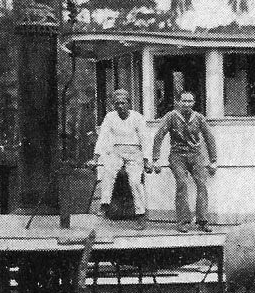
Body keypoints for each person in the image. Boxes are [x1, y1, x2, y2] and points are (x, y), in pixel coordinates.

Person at [151, 91, 217, 232]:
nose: (186, 104)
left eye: (190, 101)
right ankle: (183, 221)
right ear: (178, 102)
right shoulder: (171, 117)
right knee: (182, 183)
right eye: (184, 101)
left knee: (202, 183)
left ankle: (202, 221)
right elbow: (159, 136)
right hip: (177, 156)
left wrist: (213, 161)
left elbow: (209, 137)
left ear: (193, 103)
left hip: (195, 155)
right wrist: (155, 159)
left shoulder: (199, 118)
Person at [91, 88, 150, 229]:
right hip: (117, 150)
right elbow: (103, 138)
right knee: (108, 172)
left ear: (129, 103)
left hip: (134, 152)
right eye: (117, 103)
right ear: (113, 105)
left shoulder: (137, 118)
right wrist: (95, 158)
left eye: (123, 103)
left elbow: (145, 140)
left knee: (135, 181)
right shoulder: (110, 117)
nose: (120, 106)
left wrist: (147, 161)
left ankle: (140, 215)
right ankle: (105, 204)